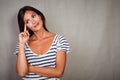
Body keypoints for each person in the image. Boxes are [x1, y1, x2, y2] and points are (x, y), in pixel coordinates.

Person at [15, 6, 70, 80]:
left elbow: (59, 72)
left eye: (33, 16)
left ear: (40, 15)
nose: (33, 22)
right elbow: (21, 72)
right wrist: (21, 44)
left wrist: (29, 67)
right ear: (26, 26)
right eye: (28, 21)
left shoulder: (59, 40)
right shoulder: (22, 43)